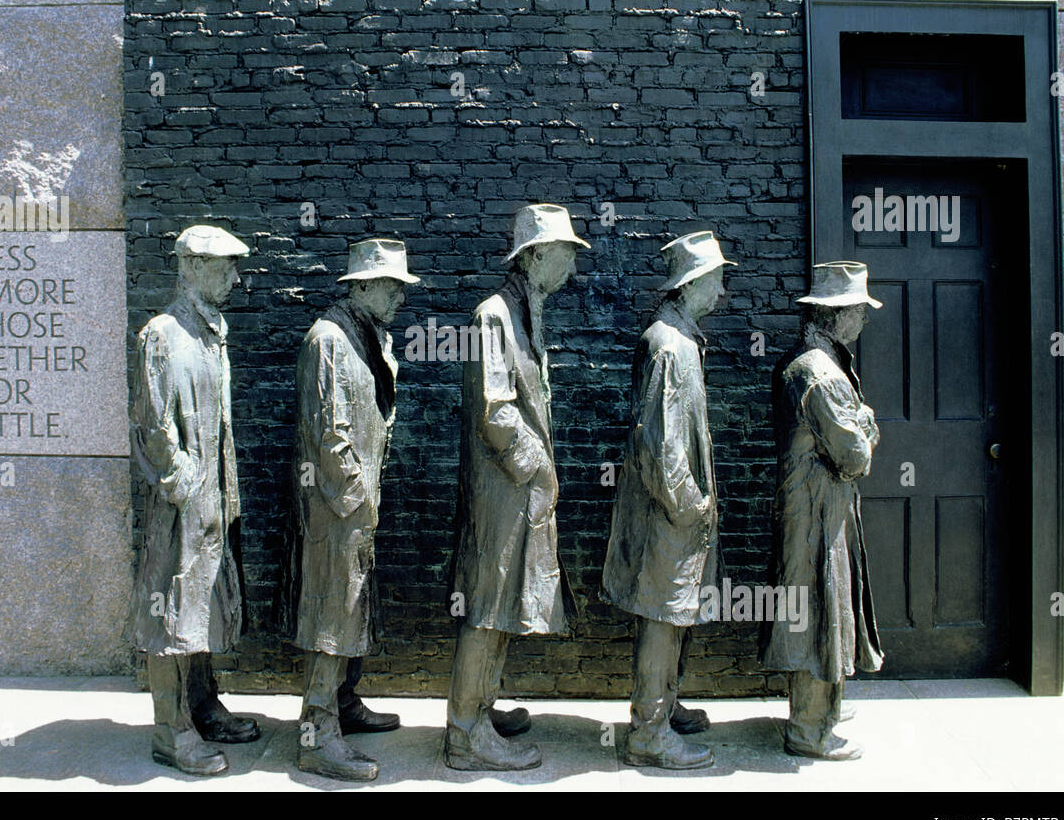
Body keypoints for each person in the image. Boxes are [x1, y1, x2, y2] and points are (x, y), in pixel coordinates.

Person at [446, 203, 589, 771]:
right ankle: (464, 733)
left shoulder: (525, 312)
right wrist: (540, 467)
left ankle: (481, 706)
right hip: (501, 493)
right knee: (487, 605)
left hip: (516, 491)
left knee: (502, 603)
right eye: (564, 253)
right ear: (533, 255)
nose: (571, 267)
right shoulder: (494, 316)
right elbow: (496, 412)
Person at [281, 239, 419, 782]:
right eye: (390, 286)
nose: (399, 296)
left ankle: (343, 701)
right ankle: (317, 734)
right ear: (360, 286)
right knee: (331, 611)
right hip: (335, 508)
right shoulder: (329, 339)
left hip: (355, 505)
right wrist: (359, 502)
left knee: (352, 604)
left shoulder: (365, 336)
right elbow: (329, 437)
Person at [127, 224, 259, 776]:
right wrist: (185, 485)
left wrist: (218, 492)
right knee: (171, 604)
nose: (235, 276)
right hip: (181, 502)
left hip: (211, 498)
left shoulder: (211, 330)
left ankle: (203, 705)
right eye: (225, 265)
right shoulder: (163, 333)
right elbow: (153, 424)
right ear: (192, 266)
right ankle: (170, 729)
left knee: (201, 601)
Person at [603, 231, 735, 770]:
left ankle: (666, 704)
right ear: (694, 284)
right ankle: (648, 732)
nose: (723, 291)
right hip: (669, 512)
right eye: (718, 280)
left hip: (676, 510)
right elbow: (659, 442)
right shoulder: (668, 345)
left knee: (674, 610)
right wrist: (689, 506)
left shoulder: (682, 339)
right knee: (663, 613)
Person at [760, 261, 884, 760]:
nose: (864, 321)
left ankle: (821, 707)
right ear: (836, 315)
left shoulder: (813, 361)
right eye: (859, 311)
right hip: (816, 513)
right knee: (815, 612)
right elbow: (854, 455)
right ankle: (809, 728)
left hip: (818, 508)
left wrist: (860, 425)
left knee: (819, 609)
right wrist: (868, 427)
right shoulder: (819, 372)